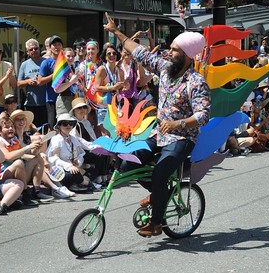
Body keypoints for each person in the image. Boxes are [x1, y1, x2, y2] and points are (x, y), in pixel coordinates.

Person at [104, 12, 211, 237]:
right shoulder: (164, 68)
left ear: (187, 56)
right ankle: (159, 193)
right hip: (158, 132)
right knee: (127, 165)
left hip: (182, 138)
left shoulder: (196, 82)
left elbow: (203, 115)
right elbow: (138, 51)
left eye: (174, 50)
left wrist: (176, 124)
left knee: (160, 174)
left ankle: (156, 224)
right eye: (170, 49)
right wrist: (115, 32)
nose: (168, 52)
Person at [0, 117, 53, 204]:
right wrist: (29, 146)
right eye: (7, 127)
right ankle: (25, 194)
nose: (10, 129)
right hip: (2, 176)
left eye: (11, 126)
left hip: (18, 172)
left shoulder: (15, 140)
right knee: (18, 163)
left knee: (38, 158)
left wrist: (37, 147)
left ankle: (36, 191)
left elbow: (32, 152)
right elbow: (8, 157)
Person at [46, 113, 102, 192]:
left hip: (75, 169)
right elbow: (54, 159)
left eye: (71, 124)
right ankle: (87, 183)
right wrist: (69, 166)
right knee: (74, 173)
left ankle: (77, 184)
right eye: (65, 124)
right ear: (59, 126)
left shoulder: (73, 138)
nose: (68, 126)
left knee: (93, 171)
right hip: (60, 171)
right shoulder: (57, 139)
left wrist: (77, 162)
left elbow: (82, 152)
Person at [69, 97, 109, 184]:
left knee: (106, 150)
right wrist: (93, 146)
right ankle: (99, 178)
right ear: (74, 111)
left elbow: (93, 138)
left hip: (89, 147)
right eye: (79, 108)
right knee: (99, 153)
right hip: (80, 151)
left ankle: (104, 177)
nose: (82, 109)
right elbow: (77, 140)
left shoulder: (86, 122)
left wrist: (100, 143)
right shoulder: (72, 123)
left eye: (84, 107)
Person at [17, 39, 46, 127]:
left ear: (39, 49)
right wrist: (28, 81)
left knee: (46, 127)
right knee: (33, 129)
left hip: (46, 103)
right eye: (31, 49)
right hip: (31, 103)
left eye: (36, 48)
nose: (34, 51)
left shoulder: (46, 62)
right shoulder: (24, 64)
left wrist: (42, 80)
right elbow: (18, 83)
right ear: (27, 52)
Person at [37, 35, 62, 129]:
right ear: (50, 47)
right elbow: (39, 81)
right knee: (52, 126)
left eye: (59, 44)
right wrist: (55, 75)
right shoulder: (46, 62)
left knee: (65, 125)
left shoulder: (65, 61)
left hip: (65, 99)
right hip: (52, 100)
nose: (57, 47)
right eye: (54, 45)